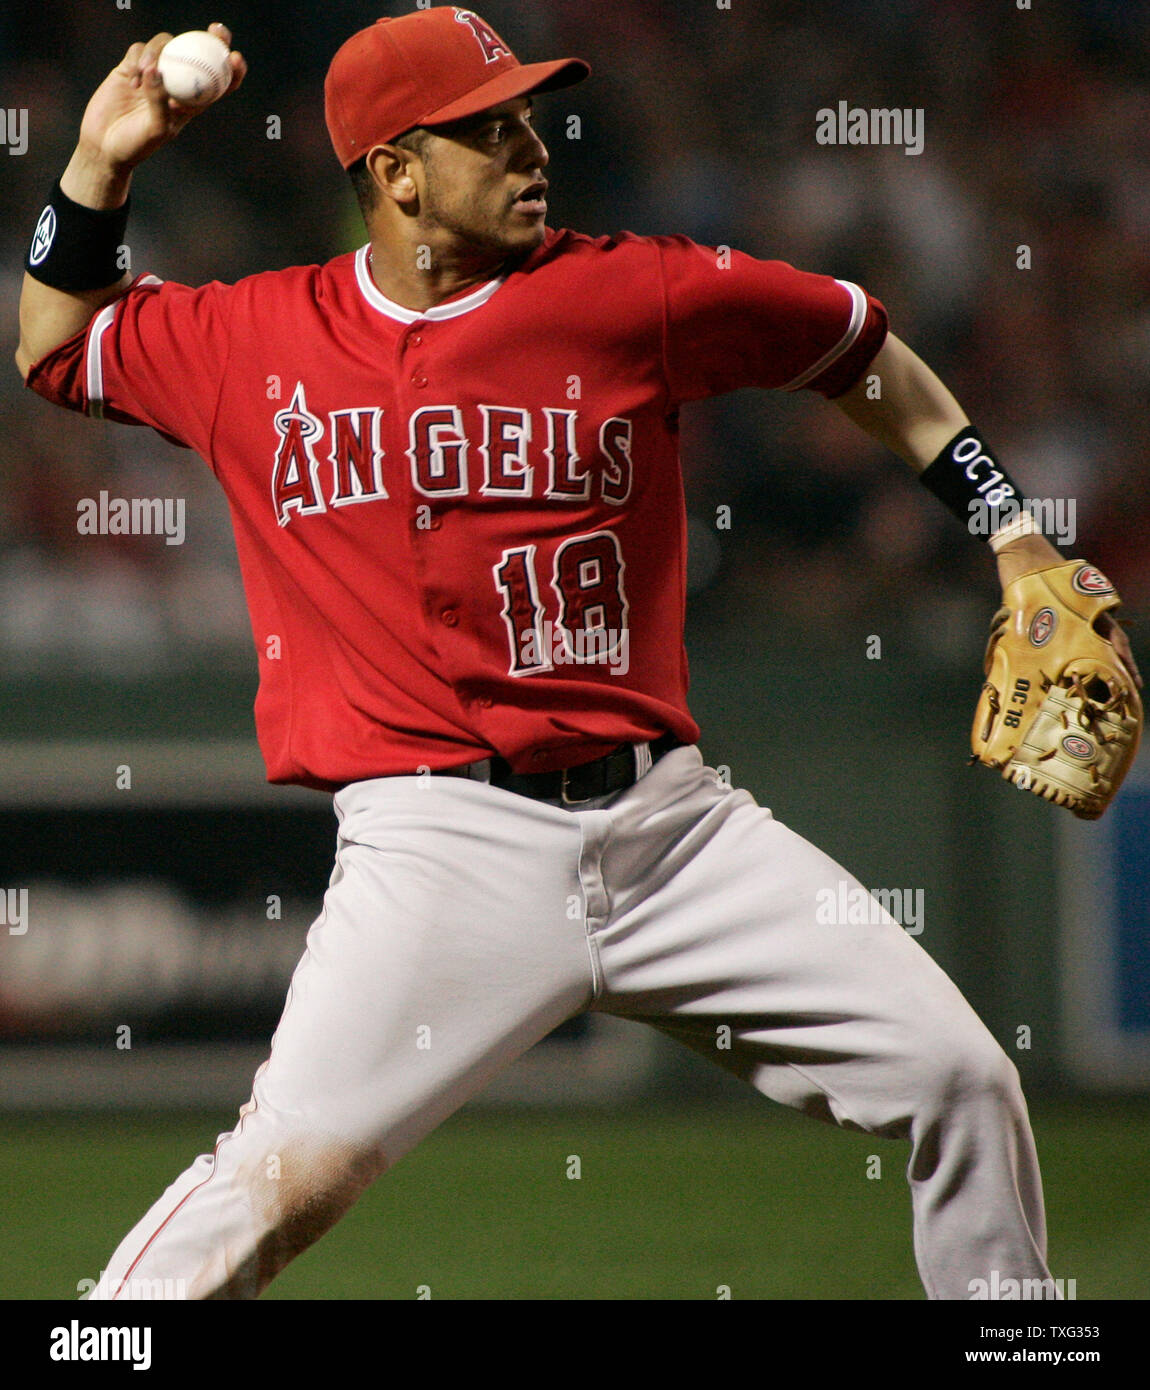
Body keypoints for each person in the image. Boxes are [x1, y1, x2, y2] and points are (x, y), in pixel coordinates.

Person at [16, 9, 1106, 1301]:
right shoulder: (254, 339)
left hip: (675, 831)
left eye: (530, 115)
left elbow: (855, 346)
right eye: (490, 128)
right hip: (438, 851)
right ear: (395, 171)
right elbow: (57, 344)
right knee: (272, 1186)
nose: (533, 146)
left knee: (962, 1080)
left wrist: (1012, 533)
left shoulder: (627, 289)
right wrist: (98, 164)